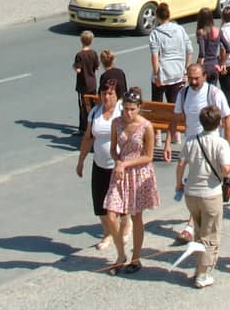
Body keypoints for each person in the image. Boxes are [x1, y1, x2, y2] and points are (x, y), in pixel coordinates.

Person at [102, 87, 158, 275]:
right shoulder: (116, 123)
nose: (129, 113)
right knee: (111, 214)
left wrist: (126, 164)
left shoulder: (146, 126)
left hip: (138, 173)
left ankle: (136, 258)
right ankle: (120, 254)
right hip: (120, 172)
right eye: (126, 108)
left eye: (133, 109)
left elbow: (148, 156)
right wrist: (118, 161)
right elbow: (113, 149)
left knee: (136, 216)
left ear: (139, 108)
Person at [174, 104, 230, 288]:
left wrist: (179, 183)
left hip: (191, 192)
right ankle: (202, 274)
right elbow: (225, 168)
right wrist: (225, 177)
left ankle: (199, 267)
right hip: (211, 193)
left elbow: (181, 164)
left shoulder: (191, 140)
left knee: (199, 231)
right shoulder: (221, 143)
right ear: (219, 123)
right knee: (210, 235)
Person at [75, 82, 123, 255]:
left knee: (116, 205)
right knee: (99, 205)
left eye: (110, 94)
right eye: (104, 94)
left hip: (118, 165)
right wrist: (81, 161)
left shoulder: (122, 112)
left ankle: (121, 234)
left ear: (117, 95)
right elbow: (88, 137)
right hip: (99, 163)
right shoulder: (95, 112)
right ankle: (108, 232)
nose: (107, 97)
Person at [148, 2, 193, 104]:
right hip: (177, 73)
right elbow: (190, 50)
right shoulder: (180, 29)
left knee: (157, 106)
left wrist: (156, 75)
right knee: (174, 106)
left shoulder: (155, 33)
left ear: (157, 17)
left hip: (162, 73)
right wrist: (185, 69)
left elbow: (155, 56)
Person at [73, 30, 100, 132]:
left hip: (83, 84)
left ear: (81, 41)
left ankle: (83, 127)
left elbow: (78, 70)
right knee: (93, 105)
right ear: (91, 41)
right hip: (92, 83)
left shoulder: (79, 55)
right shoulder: (93, 53)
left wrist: (74, 67)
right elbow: (97, 67)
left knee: (83, 106)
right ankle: (93, 124)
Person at [195, 8, 225, 85]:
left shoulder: (201, 32)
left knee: (203, 92)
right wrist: (222, 63)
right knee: (213, 91)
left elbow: (202, 53)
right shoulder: (218, 31)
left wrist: (198, 64)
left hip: (205, 66)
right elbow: (227, 48)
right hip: (215, 66)